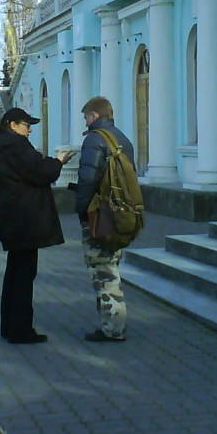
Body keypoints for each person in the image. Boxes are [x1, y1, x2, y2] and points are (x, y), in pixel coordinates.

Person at [0, 108, 73, 344]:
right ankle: (20, 330)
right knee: (24, 275)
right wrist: (58, 161)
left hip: (7, 217)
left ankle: (9, 326)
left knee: (14, 272)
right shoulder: (15, 146)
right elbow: (40, 172)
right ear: (12, 124)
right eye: (26, 125)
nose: (29, 130)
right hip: (26, 219)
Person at [73, 96, 135, 343]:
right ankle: (113, 323)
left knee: (103, 271)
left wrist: (81, 210)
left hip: (100, 215)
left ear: (94, 115)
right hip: (120, 213)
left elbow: (88, 180)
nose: (86, 122)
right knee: (111, 265)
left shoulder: (95, 139)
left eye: (86, 117)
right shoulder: (122, 139)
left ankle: (112, 327)